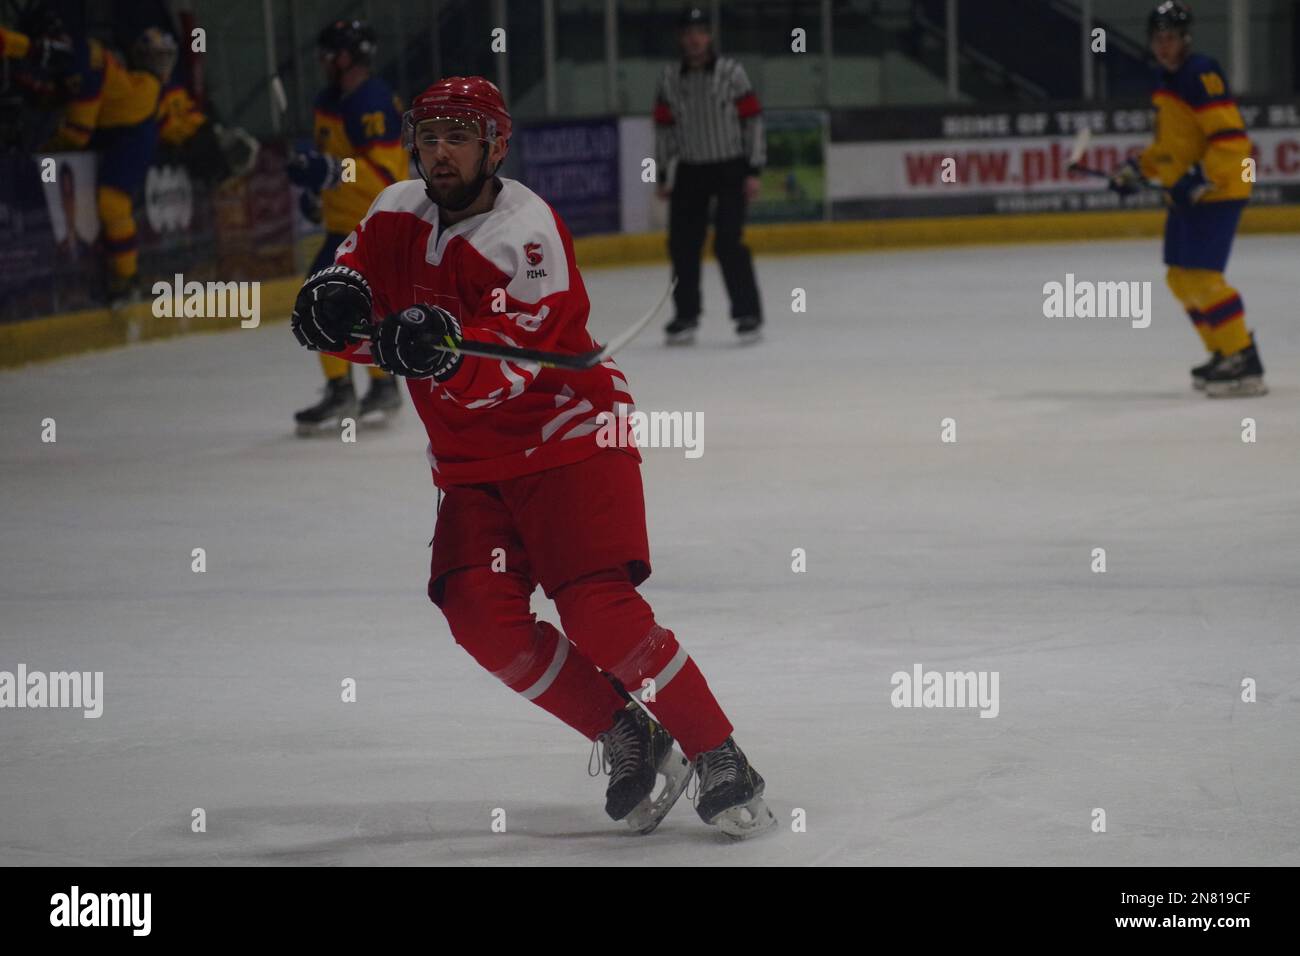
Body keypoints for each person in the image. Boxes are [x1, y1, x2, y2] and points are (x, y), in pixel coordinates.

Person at [289, 75, 775, 838]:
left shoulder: (528, 235)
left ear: (494, 146)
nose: (439, 151)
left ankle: (719, 752)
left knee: (596, 611)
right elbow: (360, 297)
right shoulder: (392, 213)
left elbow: (501, 370)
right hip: (474, 466)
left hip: (571, 438)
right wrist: (334, 310)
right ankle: (627, 732)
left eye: (459, 136)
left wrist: (432, 351)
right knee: (479, 616)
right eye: (429, 136)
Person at [1110, 1, 1265, 397]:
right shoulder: (1165, 82)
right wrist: (1137, 170)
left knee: (1202, 277)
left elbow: (1232, 141)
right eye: (1158, 38)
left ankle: (1244, 360)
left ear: (1186, 39)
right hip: (1188, 196)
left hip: (1218, 190)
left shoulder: (1200, 73)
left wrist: (1199, 179)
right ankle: (1222, 351)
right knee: (1179, 278)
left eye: (1172, 38)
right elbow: (1171, 146)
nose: (1164, 45)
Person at [288, 19, 406, 434]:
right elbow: (332, 162)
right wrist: (315, 189)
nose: (322, 61)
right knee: (346, 306)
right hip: (343, 225)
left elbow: (383, 175)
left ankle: (349, 388)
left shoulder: (370, 100)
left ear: (349, 56)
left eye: (329, 53)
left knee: (320, 301)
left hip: (370, 225)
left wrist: (331, 171)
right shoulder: (328, 100)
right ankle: (380, 383)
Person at [653, 6, 765, 346]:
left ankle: (747, 313)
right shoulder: (670, 78)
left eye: (700, 31)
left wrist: (754, 168)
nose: (694, 38)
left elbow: (752, 120)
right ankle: (686, 315)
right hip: (690, 170)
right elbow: (664, 128)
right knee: (682, 246)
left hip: (730, 167)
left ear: (709, 36)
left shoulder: (732, 72)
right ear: (680, 38)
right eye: (688, 32)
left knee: (729, 242)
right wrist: (662, 173)